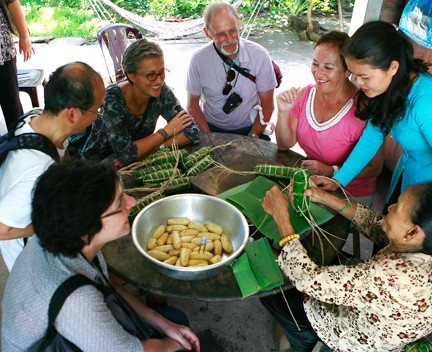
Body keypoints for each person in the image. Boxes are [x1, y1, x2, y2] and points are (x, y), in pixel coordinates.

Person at [1, 160, 201, 352]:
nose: (132, 202)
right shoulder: (77, 300)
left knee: (173, 318)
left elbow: (105, 285)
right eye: (120, 204)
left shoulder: (59, 236)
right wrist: (175, 345)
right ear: (85, 231)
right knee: (180, 325)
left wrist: (163, 324)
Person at [261, 181, 432, 351]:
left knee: (274, 292)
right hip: (386, 315)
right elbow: (377, 224)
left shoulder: (390, 276)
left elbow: (307, 279)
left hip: (357, 339)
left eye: (397, 206)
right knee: (317, 258)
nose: (390, 207)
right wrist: (324, 197)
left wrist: (281, 217)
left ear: (412, 232)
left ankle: (303, 342)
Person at [315, 21, 432, 207]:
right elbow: (371, 138)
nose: (358, 82)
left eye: (365, 76)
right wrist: (339, 179)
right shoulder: (387, 89)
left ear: (393, 67)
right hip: (410, 179)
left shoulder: (428, 105)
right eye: (354, 74)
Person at [0, 61, 106, 271]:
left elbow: (63, 156)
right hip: (29, 262)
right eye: (97, 110)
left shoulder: (38, 119)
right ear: (73, 114)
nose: (98, 115)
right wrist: (50, 228)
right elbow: (2, 228)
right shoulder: (37, 169)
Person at [275, 31, 383, 206]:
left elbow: (375, 168)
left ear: (348, 70)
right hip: (315, 182)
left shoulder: (362, 109)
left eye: (328, 67)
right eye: (315, 64)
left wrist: (331, 171)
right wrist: (283, 112)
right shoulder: (305, 94)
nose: (318, 73)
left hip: (350, 192)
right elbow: (283, 144)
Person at [82, 38, 199, 167]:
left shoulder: (161, 90)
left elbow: (192, 130)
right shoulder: (112, 99)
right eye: (151, 75)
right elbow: (126, 154)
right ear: (132, 76)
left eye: (161, 72)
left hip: (136, 163)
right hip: (97, 167)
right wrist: (165, 132)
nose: (159, 80)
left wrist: (154, 148)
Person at [185, 2, 277, 139]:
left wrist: (253, 137)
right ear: (208, 33)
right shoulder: (199, 60)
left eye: (233, 31)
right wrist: (210, 138)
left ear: (239, 24)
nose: (229, 39)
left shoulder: (259, 55)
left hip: (251, 126)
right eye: (221, 34)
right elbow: (192, 106)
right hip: (211, 127)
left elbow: (268, 105)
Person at [0, 0, 34, 131]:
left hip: (2, 49)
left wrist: (24, 36)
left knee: (11, 103)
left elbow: (12, 1)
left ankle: (19, 142)